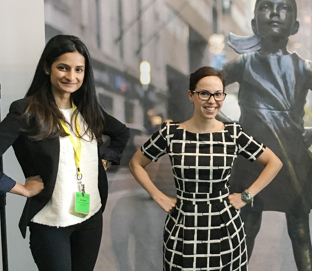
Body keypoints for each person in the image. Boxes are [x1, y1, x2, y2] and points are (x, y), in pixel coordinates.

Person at [221, 0, 312, 269]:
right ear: (254, 24)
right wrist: (229, 126)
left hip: (292, 160)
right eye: (266, 6)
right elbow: (203, 89)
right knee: (246, 229)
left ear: (296, 25)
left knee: (300, 231)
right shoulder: (243, 63)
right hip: (251, 162)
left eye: (284, 7)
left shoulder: (305, 68)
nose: (275, 13)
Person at [129, 66, 282, 271]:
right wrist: (158, 195)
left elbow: (274, 162)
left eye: (218, 94)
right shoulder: (171, 134)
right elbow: (136, 163)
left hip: (225, 225)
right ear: (191, 95)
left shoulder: (232, 134)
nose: (212, 101)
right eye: (204, 93)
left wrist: (246, 196)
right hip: (183, 224)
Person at [0, 34, 130, 271]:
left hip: (90, 218)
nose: (72, 76)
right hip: (51, 224)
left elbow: (121, 133)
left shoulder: (88, 110)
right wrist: (19, 188)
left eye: (79, 69)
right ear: (47, 67)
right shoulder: (27, 111)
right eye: (63, 68)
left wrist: (106, 160)